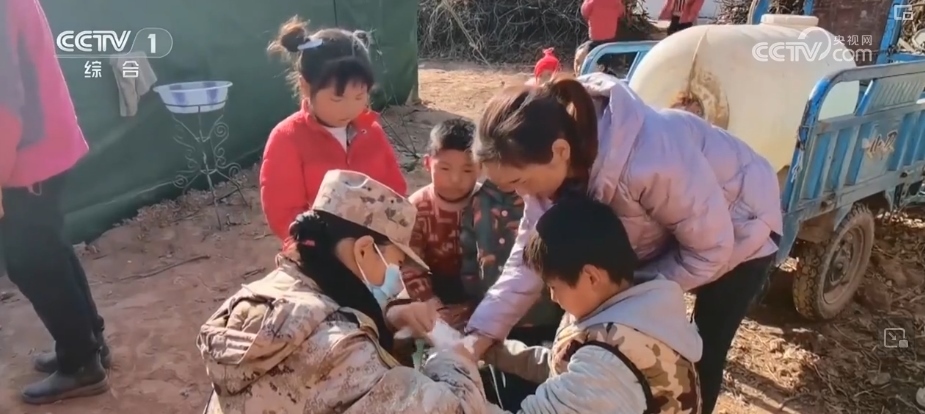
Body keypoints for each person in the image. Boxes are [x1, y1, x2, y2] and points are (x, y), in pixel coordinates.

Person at [467, 73, 783, 414]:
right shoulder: (545, 175)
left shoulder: (650, 160)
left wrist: (626, 295)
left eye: (519, 181)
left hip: (742, 226)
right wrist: (479, 334)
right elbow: (526, 263)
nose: (520, 194)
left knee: (701, 349)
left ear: (559, 151)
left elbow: (711, 249)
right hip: (677, 232)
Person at [198, 169, 491, 413]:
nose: (398, 276)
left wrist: (389, 317)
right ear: (364, 250)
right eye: (397, 262)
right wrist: (454, 360)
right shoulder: (340, 349)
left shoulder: (264, 293)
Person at [485, 196, 702, 413]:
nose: (552, 297)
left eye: (553, 286)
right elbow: (560, 363)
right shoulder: (637, 310)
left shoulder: (606, 363)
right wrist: (495, 352)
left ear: (591, 277)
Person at [0, 0, 110, 404]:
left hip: (27, 156)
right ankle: (90, 342)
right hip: (44, 144)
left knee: (31, 262)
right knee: (50, 248)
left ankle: (81, 363)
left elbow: (5, 104)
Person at [260, 16, 407, 242]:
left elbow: (394, 191)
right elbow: (284, 215)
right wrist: (331, 249)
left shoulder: (371, 131)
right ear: (305, 86)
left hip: (375, 248)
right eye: (337, 99)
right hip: (318, 252)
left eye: (359, 96)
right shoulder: (286, 139)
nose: (350, 109)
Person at [460, 172, 562, 409]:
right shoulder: (478, 201)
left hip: (545, 319)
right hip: (501, 327)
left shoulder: (542, 198)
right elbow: (470, 256)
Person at [402, 118, 482, 329]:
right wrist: (432, 305)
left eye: (467, 170)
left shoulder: (488, 205)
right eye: (445, 169)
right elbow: (411, 266)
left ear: (481, 167)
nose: (455, 179)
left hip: (481, 296)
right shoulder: (415, 208)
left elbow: (498, 264)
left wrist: (474, 308)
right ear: (427, 163)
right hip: (432, 292)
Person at [574, 0, 625, 75]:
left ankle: (581, 74)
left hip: (595, 41)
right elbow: (621, 13)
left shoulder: (591, 1)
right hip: (611, 40)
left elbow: (584, 12)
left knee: (582, 53)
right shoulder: (616, 1)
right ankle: (606, 70)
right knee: (607, 61)